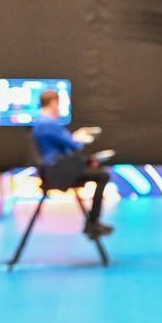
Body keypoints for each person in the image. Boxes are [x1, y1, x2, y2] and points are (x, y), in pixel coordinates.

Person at [31, 89, 113, 237]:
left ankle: (93, 223)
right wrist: (79, 138)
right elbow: (75, 146)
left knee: (92, 164)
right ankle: (93, 222)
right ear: (53, 103)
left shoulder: (41, 123)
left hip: (56, 169)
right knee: (103, 176)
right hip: (59, 173)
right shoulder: (49, 123)